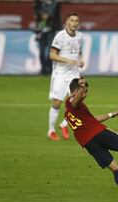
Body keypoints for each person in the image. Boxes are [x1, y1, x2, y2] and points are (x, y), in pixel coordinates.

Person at [48, 12, 84, 141]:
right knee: (57, 102)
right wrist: (68, 60)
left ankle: (64, 124)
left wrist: (81, 59)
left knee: (77, 100)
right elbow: (52, 55)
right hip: (61, 74)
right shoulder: (60, 36)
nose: (74, 23)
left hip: (74, 73)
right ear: (67, 22)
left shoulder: (79, 36)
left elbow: (79, 51)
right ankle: (51, 130)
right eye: (72, 20)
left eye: (76, 20)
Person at [34, 0, 61, 75]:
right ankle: (43, 69)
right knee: (41, 51)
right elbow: (36, 15)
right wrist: (40, 15)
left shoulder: (55, 4)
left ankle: (49, 69)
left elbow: (58, 17)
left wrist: (49, 16)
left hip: (51, 30)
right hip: (41, 30)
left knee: (50, 51)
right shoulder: (39, 4)